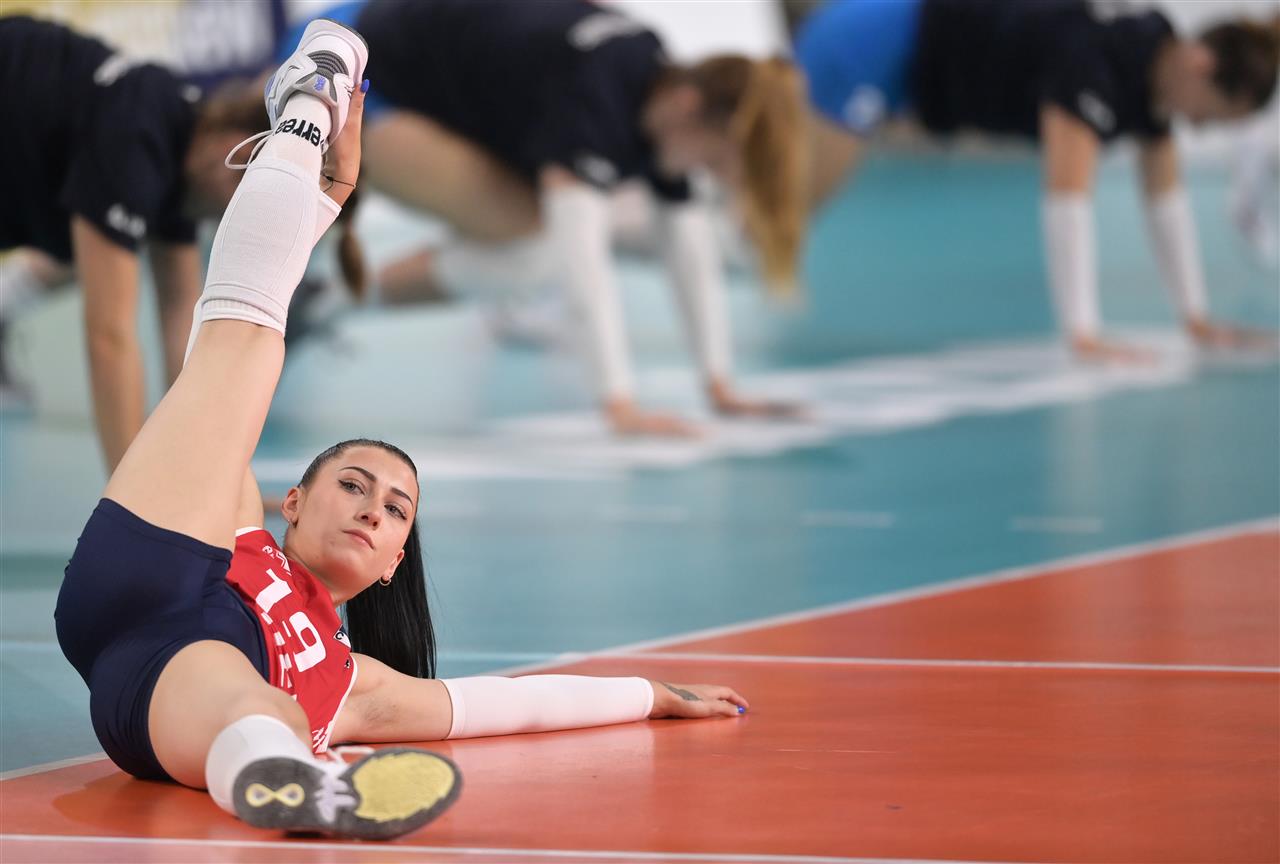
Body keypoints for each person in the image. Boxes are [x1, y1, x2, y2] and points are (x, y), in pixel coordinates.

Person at [54, 18, 748, 841]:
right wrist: (323, 200)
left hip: (171, 689)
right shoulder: (237, 523)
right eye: (352, 485)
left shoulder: (354, 684)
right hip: (161, 563)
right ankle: (305, 107)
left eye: (395, 510)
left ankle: (297, 786)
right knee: (243, 349)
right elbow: (228, 348)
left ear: (393, 564)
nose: (371, 510)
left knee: (256, 704)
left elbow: (510, 705)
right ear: (293, 502)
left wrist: (650, 697)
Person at [279, 0, 810, 437]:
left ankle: (326, 299)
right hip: (345, 59)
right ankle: (326, 299)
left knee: (537, 242)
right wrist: (619, 404)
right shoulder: (596, 93)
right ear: (688, 105)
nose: (704, 174)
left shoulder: (655, 80)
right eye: (712, 159)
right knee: (545, 248)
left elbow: (687, 238)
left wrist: (718, 384)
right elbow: (583, 267)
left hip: (388, 48)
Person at [795, 0, 1280, 361]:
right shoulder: (1094, 65)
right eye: (1212, 115)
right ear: (1200, 64)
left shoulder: (1151, 71)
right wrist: (1082, 333)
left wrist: (1195, 318)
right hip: (871, 39)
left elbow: (1166, 202)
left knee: (786, 210)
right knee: (791, 207)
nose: (1199, 128)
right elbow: (1068, 199)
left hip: (903, 66)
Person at [0, 16, 355, 468]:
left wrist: (214, 479)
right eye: (247, 182)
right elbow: (109, 337)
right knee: (106, 258)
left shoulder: (181, 167)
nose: (242, 207)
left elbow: (186, 339)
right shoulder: (138, 141)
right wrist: (130, 494)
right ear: (237, 145)